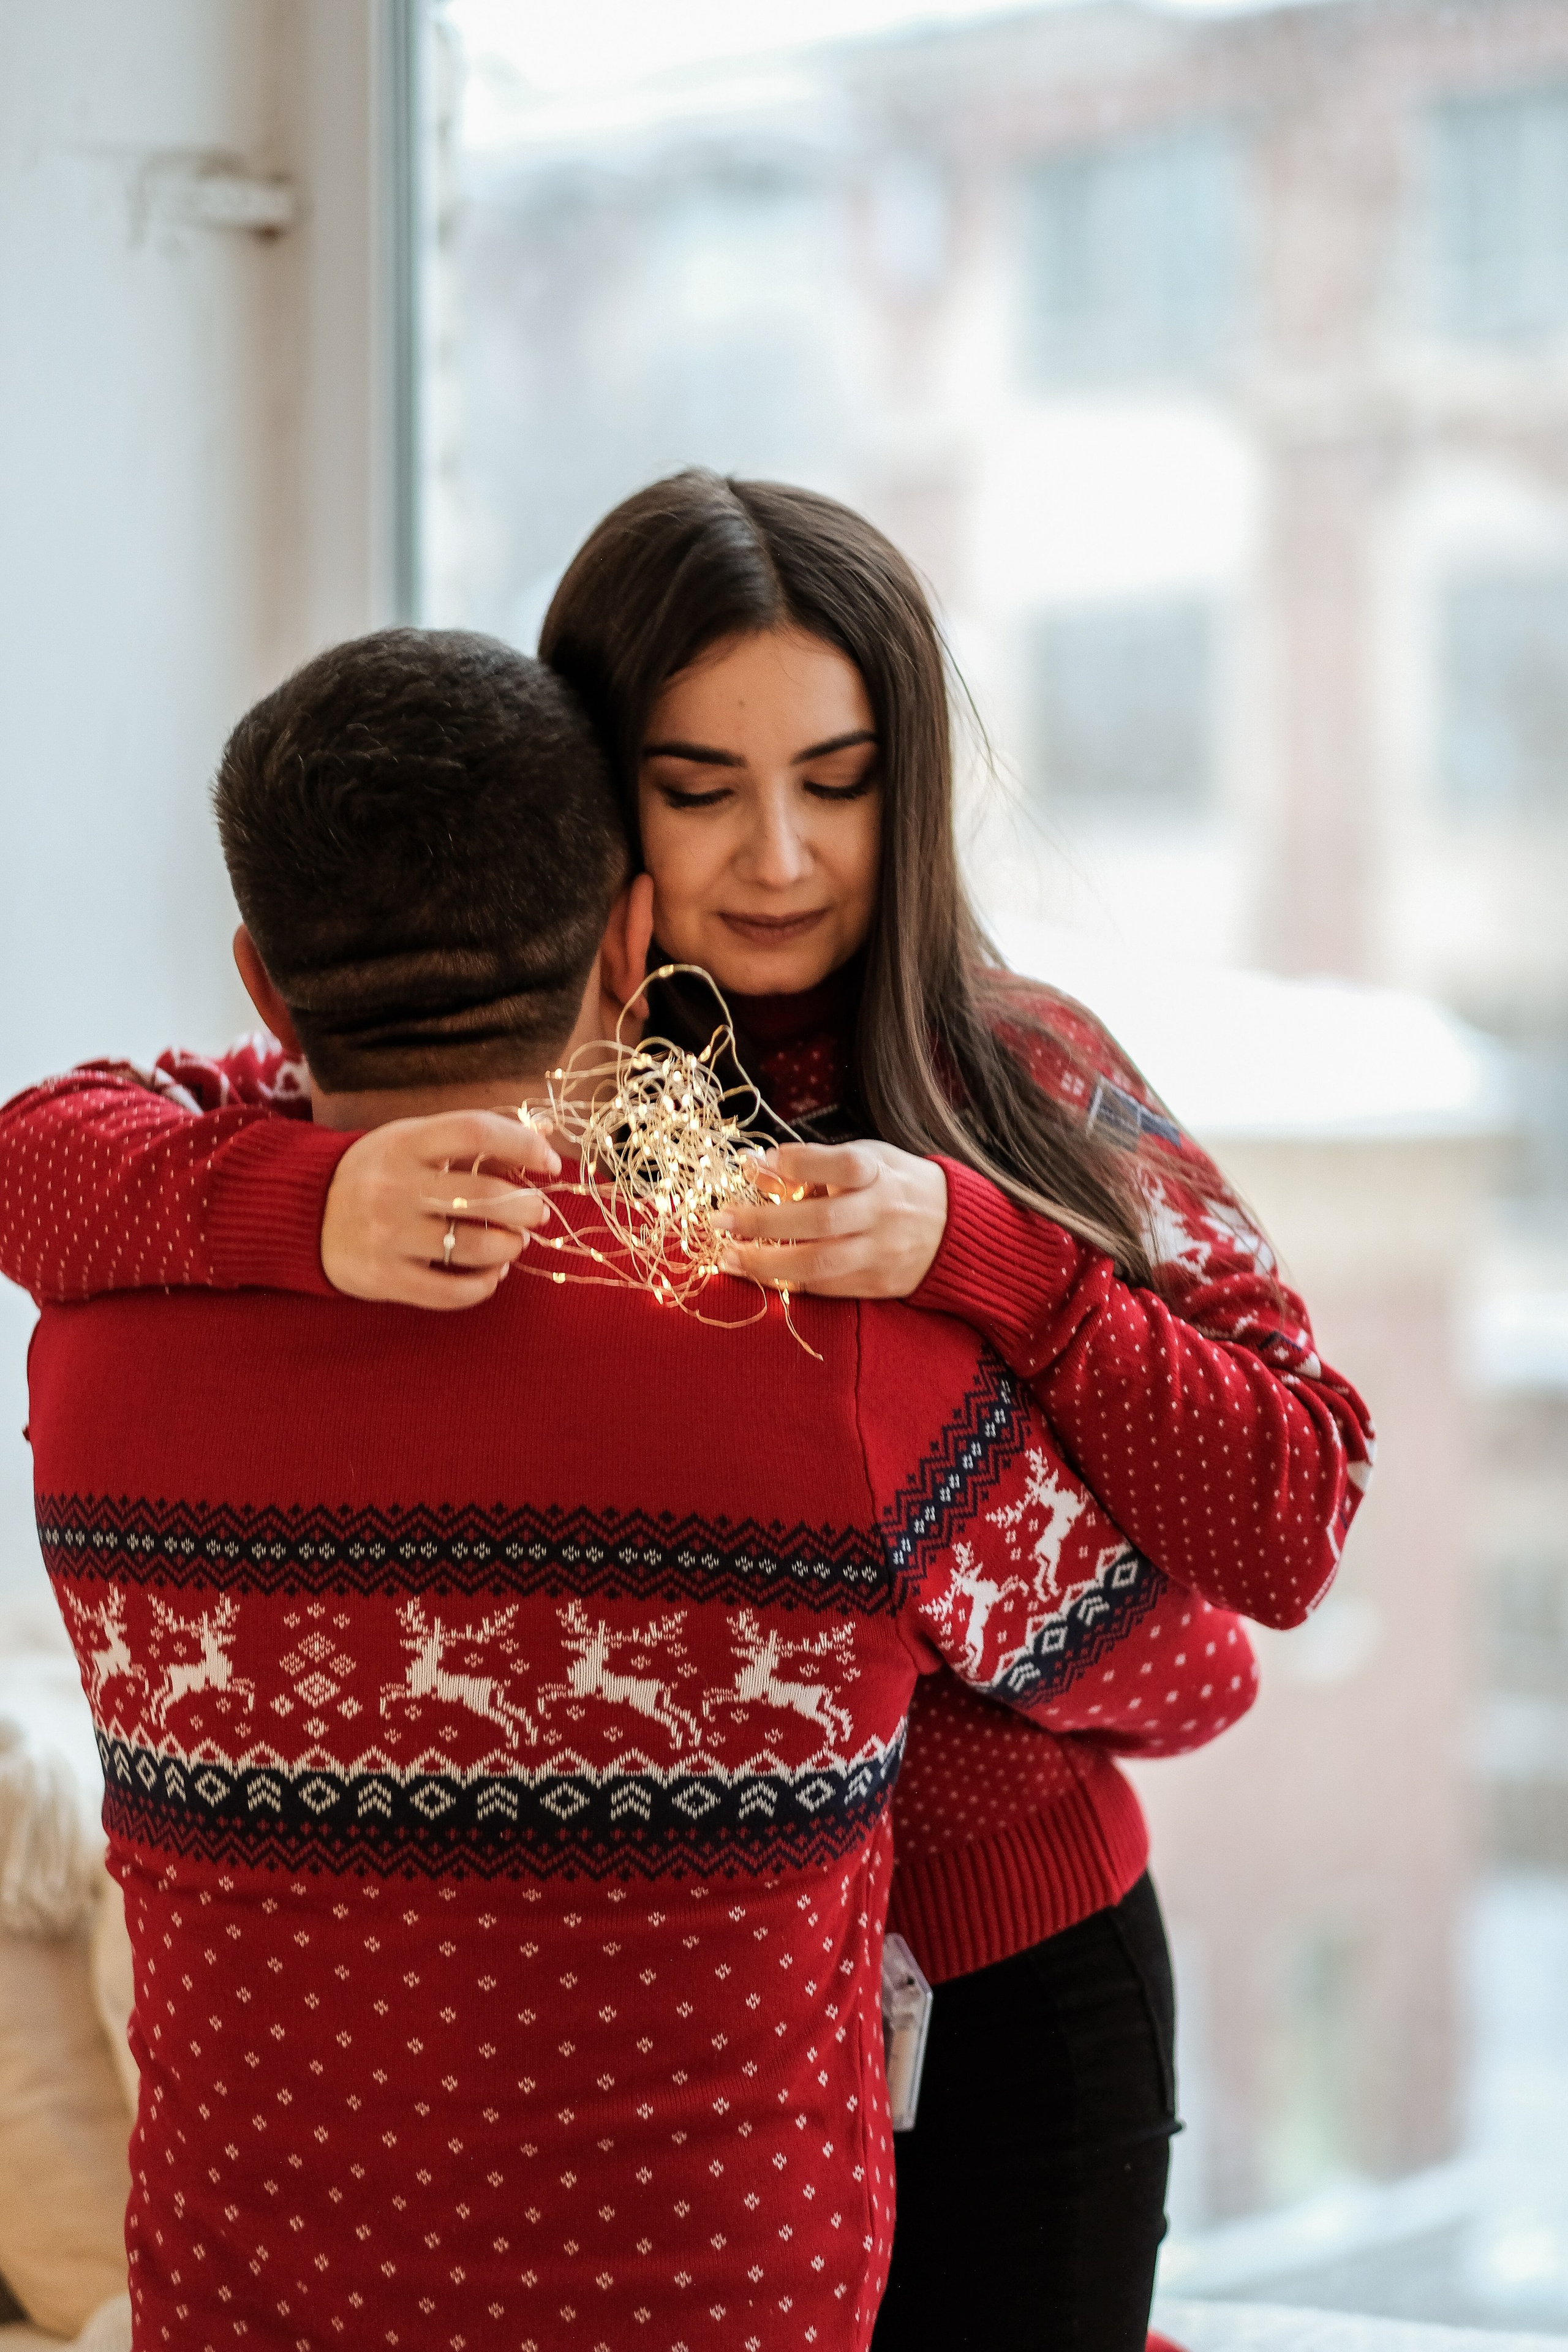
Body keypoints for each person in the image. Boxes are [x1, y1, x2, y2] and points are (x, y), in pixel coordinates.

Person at [0, 478, 1373, 2350]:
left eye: (841, 775)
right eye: (702, 787)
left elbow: (1286, 1522)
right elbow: (44, 1157)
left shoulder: (1020, 1067)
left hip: (995, 1973)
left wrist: (985, 1257)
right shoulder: (504, 1041)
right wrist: (307, 1207)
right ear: (601, 829)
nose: (784, 858)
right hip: (683, 2058)